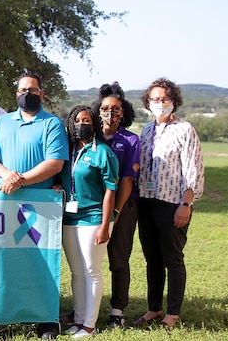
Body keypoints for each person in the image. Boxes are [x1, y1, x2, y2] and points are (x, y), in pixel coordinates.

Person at [132, 78, 204, 330]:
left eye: (165, 99)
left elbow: (192, 168)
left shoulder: (185, 129)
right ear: (147, 103)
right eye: (155, 99)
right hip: (147, 202)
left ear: (173, 101)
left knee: (172, 259)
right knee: (152, 259)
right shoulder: (147, 130)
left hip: (173, 203)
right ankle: (154, 308)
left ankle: (172, 313)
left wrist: (187, 203)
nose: (160, 103)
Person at [61, 106, 119, 338]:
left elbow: (110, 191)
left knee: (91, 271)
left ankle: (90, 325)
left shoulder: (103, 152)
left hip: (94, 218)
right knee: (76, 272)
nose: (80, 124)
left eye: (86, 120)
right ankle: (78, 319)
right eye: (76, 120)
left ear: (94, 124)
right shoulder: (68, 151)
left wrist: (105, 225)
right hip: (69, 217)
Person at [91, 82, 141, 328]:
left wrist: (116, 213)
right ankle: (86, 308)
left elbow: (128, 179)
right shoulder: (91, 136)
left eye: (116, 109)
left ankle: (117, 311)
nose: (111, 113)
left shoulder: (130, 140)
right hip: (92, 207)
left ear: (124, 112)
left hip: (123, 206)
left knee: (118, 260)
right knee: (88, 261)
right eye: (106, 108)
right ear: (98, 110)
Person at [0, 71, 68, 194]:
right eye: (22, 90)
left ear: (41, 94)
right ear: (17, 94)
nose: (26, 94)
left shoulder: (52, 124)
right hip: (4, 198)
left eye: (32, 90)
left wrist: (19, 181)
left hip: (40, 201)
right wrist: (6, 175)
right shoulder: (1, 122)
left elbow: (55, 163)